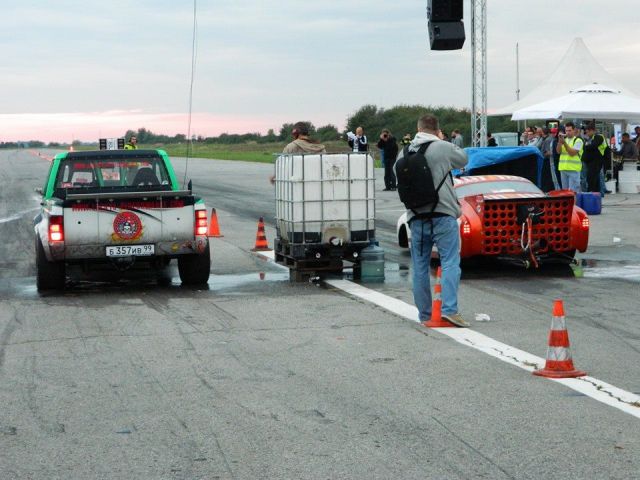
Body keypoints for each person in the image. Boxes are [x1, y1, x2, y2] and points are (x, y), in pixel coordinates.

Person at [395, 113, 469, 327]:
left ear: (418, 128)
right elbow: (464, 159)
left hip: (416, 216)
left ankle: (425, 315)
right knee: (449, 261)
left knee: (419, 266)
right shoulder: (442, 147)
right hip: (443, 213)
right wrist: (441, 140)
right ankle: (449, 310)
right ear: (437, 129)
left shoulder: (404, 152)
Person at [556, 122, 584, 192]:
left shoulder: (578, 140)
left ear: (574, 130)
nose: (567, 132)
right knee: (565, 192)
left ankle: (575, 203)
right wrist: (559, 141)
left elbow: (572, 153)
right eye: (566, 131)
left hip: (573, 169)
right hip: (563, 168)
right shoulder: (564, 140)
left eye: (569, 130)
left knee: (573, 192)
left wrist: (564, 143)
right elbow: (558, 152)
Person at [582, 124, 607, 193]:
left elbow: (592, 146)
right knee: (589, 179)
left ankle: (594, 193)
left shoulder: (599, 137)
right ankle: (592, 193)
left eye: (588, 132)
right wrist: (587, 146)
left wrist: (587, 146)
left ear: (592, 131)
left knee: (593, 179)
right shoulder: (590, 139)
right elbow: (585, 147)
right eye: (586, 132)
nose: (587, 134)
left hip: (596, 162)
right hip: (589, 162)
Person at [540, 127, 559, 192]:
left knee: (551, 178)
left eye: (554, 133)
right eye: (552, 133)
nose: (553, 134)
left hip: (549, 161)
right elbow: (547, 152)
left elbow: (546, 152)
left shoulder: (549, 140)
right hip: (549, 161)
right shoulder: (549, 140)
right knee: (551, 178)